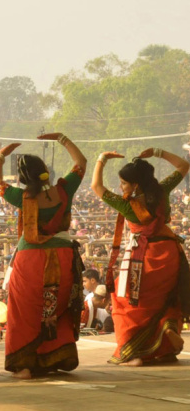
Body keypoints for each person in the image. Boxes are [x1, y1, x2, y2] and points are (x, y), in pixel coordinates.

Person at [0, 132, 87, 379]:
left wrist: (1, 156)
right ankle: (55, 356)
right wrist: (63, 139)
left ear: (22, 179)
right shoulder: (64, 191)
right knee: (56, 307)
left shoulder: (22, 197)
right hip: (63, 257)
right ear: (47, 172)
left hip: (30, 259)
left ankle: (23, 365)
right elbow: (81, 163)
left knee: (24, 312)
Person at [91, 148, 190, 365]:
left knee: (127, 303)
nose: (121, 187)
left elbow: (96, 187)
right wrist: (160, 152)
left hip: (143, 256)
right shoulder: (162, 191)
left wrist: (101, 159)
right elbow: (184, 166)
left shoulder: (127, 204)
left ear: (135, 184)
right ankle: (164, 340)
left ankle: (135, 353)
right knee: (164, 299)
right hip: (169, 253)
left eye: (124, 183)